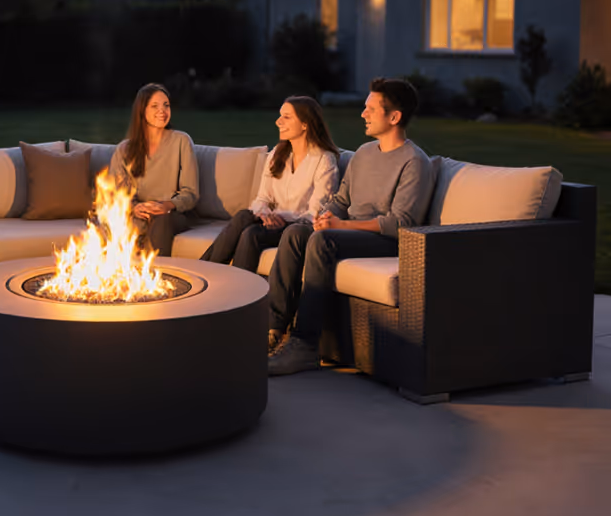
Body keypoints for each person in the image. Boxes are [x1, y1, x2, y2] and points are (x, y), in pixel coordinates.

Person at [264, 77, 436, 375]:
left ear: (394, 117)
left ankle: (305, 346)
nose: (362, 114)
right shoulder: (365, 153)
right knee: (295, 234)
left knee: (322, 241)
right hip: (346, 230)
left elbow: (400, 223)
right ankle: (272, 331)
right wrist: (324, 216)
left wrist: (340, 225)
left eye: (370, 109)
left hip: (385, 241)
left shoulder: (414, 162)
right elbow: (341, 199)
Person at [200, 96, 339, 353]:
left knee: (246, 221)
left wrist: (280, 216)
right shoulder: (278, 153)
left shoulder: (324, 161)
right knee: (248, 225)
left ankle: (204, 279)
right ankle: (232, 302)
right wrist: (264, 214)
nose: (278, 121)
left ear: (306, 124)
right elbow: (262, 198)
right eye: (280, 115)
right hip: (273, 224)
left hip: (300, 229)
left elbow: (316, 213)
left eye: (286, 117)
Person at [109, 82, 199, 257]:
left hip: (170, 214)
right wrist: (134, 208)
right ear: (142, 111)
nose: (162, 111)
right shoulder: (124, 149)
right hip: (138, 213)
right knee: (110, 223)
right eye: (155, 106)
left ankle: (158, 277)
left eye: (166, 105)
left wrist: (166, 205)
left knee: (161, 222)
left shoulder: (181, 141)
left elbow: (191, 193)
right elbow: (117, 194)